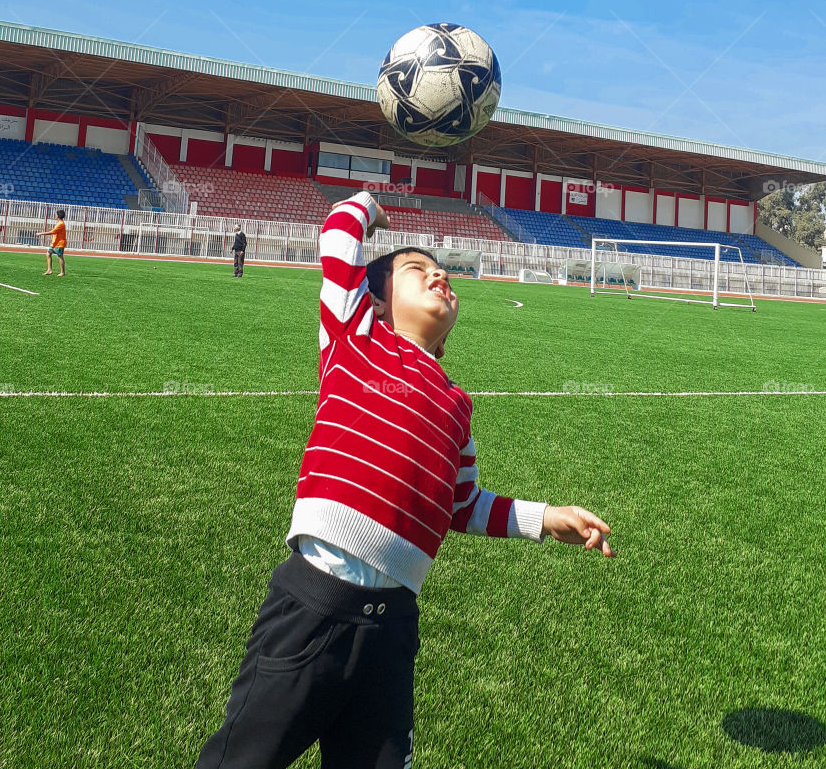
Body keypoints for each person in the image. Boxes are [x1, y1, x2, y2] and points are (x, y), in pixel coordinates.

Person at [193, 190, 615, 768]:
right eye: (417, 270)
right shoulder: (353, 340)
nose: (438, 275)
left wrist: (544, 518)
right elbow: (339, 238)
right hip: (316, 602)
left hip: (394, 630)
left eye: (444, 274)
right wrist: (370, 203)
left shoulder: (456, 405)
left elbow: (461, 503)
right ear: (376, 302)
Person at [38, 209, 67, 277]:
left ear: (58, 216)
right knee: (48, 254)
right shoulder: (59, 223)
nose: (55, 215)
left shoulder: (61, 224)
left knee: (60, 256)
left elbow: (52, 232)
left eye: (56, 214)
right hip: (54, 243)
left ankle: (62, 272)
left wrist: (41, 233)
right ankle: (49, 270)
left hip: (59, 243)